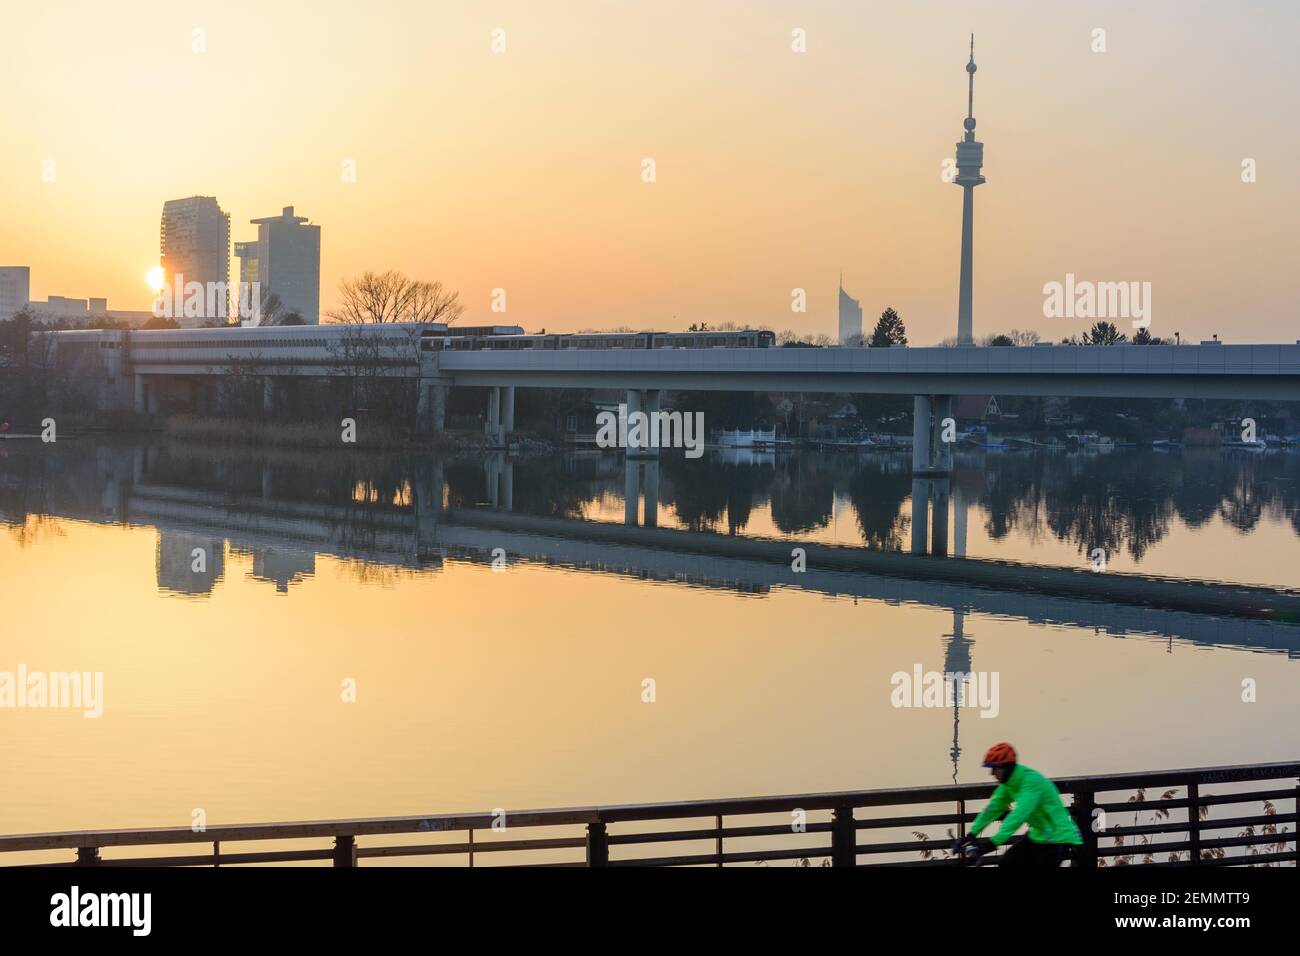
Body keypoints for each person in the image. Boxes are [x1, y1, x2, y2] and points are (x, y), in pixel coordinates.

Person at [955, 742, 1083, 867]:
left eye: (995, 768)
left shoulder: (1030, 782)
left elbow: (1018, 815)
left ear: (1007, 767)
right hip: (1038, 835)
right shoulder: (1009, 785)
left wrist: (991, 844)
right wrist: (971, 835)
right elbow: (992, 809)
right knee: (1006, 863)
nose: (992, 773)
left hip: (1058, 837)